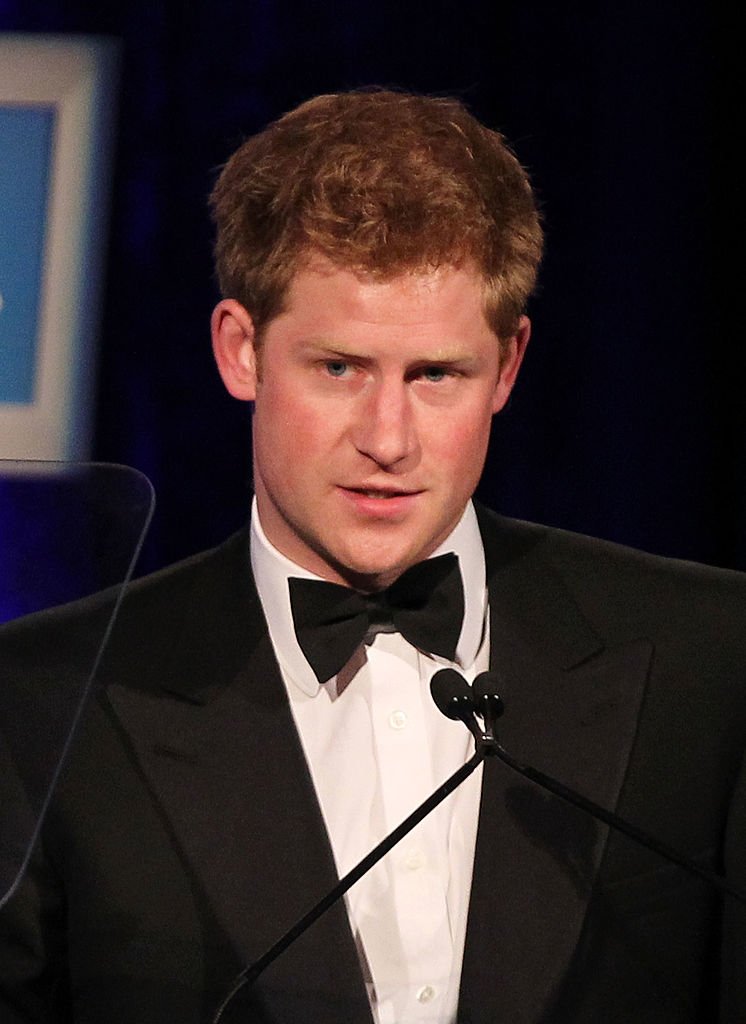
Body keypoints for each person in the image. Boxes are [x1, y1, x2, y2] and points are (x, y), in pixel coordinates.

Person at [0, 89, 744, 1024]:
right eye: (340, 368)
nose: (388, 439)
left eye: (437, 375)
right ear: (242, 352)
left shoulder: (713, 661)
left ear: (508, 366)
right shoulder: (41, 703)